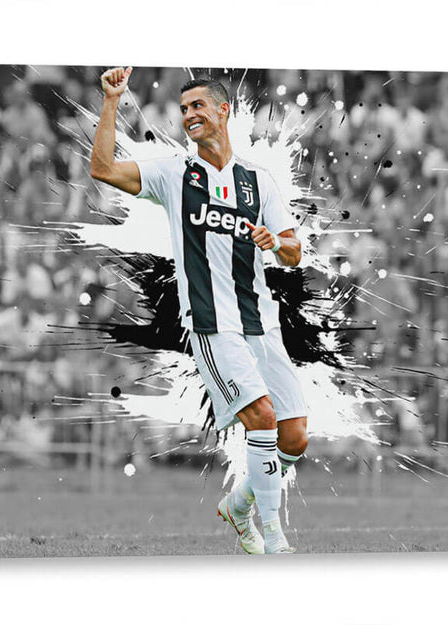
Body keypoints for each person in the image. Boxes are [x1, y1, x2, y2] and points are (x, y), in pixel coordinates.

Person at [90, 66, 309, 554]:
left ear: (223, 111)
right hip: (212, 324)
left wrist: (276, 244)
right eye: (184, 108)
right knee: (262, 416)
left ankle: (239, 505)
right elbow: (102, 168)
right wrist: (111, 101)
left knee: (294, 437)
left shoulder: (258, 182)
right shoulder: (175, 174)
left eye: (198, 106)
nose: (189, 114)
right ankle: (275, 540)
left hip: (261, 322)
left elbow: (294, 252)